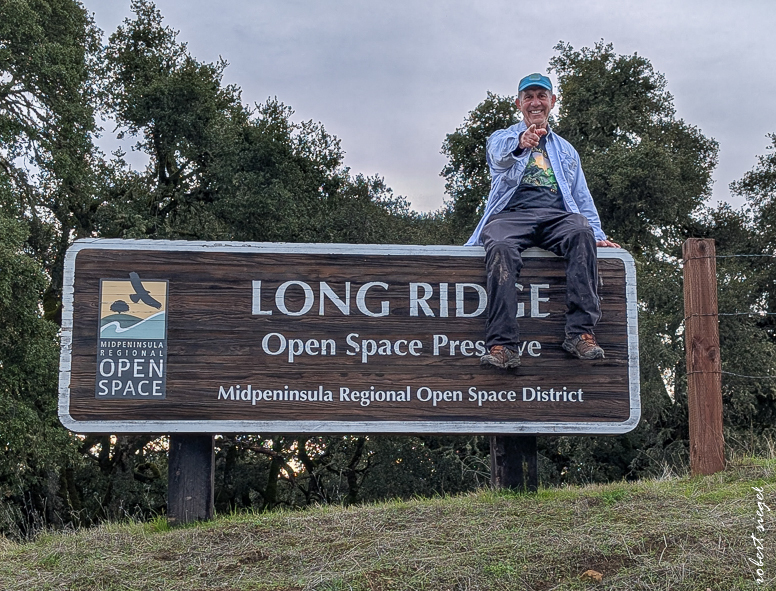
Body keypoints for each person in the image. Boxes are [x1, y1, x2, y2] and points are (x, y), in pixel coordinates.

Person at [465, 73, 620, 369]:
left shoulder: (567, 150)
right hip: (511, 216)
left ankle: (580, 334)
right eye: (528, 97)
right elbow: (499, 156)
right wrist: (521, 143)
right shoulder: (503, 137)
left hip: (555, 217)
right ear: (518, 104)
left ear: (552, 101)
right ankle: (503, 345)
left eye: (541, 96)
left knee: (581, 231)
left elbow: (581, 195)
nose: (535, 102)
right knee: (500, 246)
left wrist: (597, 234)